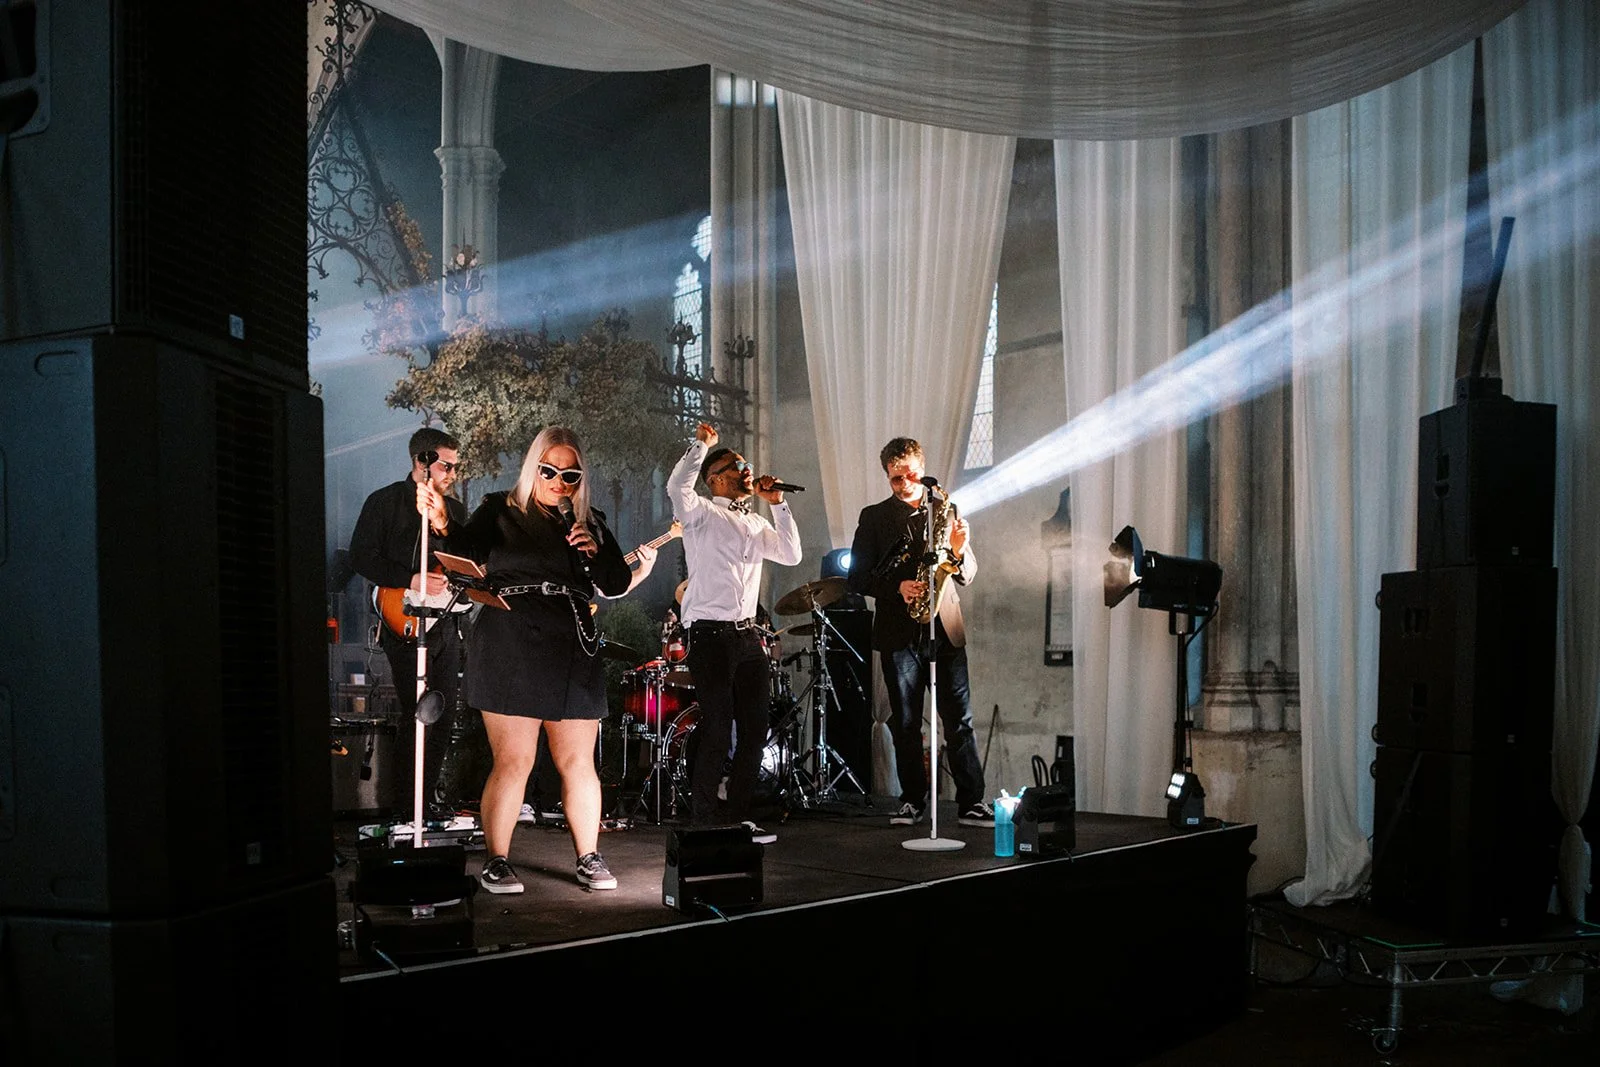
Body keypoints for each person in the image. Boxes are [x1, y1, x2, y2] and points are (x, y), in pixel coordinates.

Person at [419, 426, 632, 893]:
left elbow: (616, 582)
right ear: (533, 467)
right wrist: (440, 522)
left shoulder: (589, 520)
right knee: (514, 759)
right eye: (549, 470)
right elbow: (464, 551)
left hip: (573, 641)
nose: (559, 481)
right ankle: (497, 860)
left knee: (578, 760)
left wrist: (595, 551)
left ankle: (589, 856)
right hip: (510, 634)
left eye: (570, 474)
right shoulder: (500, 508)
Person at [847, 437, 992, 827]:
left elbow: (968, 574)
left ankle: (972, 802)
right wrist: (897, 587)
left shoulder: (945, 510)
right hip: (898, 630)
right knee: (906, 721)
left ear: (922, 468)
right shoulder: (874, 517)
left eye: (910, 474)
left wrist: (959, 549)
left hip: (945, 628)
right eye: (896, 478)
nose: (904, 482)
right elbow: (856, 577)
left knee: (958, 718)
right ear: (887, 476)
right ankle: (913, 799)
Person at [667, 422, 801, 839]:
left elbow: (792, 554)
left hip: (747, 637)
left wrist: (778, 504)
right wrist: (702, 445)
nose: (748, 470)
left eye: (748, 464)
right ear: (716, 478)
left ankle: (740, 813)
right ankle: (704, 818)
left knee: (755, 728)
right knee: (718, 725)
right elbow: (677, 487)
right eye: (737, 465)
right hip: (708, 634)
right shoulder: (701, 513)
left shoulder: (757, 525)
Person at [348, 427, 477, 823]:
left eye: (456, 466)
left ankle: (427, 798)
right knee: (415, 712)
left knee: (443, 713)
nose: (453, 473)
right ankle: (407, 804)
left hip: (446, 622)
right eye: (446, 465)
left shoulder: (454, 511)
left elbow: (468, 558)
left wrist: (445, 532)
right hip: (402, 618)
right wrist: (410, 579)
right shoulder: (384, 503)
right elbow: (360, 557)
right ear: (421, 461)